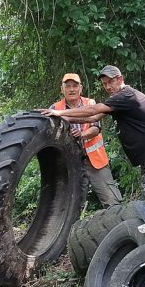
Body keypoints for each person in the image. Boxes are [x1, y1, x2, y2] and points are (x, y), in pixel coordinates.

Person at [41, 65, 145, 191]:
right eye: (104, 84)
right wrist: (63, 117)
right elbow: (93, 118)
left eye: (111, 82)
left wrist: (60, 113)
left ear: (120, 79)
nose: (107, 87)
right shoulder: (120, 100)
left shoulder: (126, 96)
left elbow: (94, 110)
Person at [49, 73, 122, 207]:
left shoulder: (90, 103)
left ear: (80, 88)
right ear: (62, 89)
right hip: (69, 163)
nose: (72, 89)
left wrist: (81, 134)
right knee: (69, 206)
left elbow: (96, 128)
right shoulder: (54, 109)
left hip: (94, 160)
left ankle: (120, 225)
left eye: (75, 86)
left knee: (112, 200)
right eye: (68, 86)